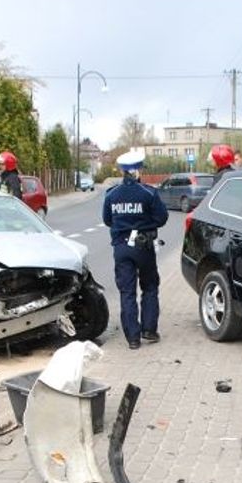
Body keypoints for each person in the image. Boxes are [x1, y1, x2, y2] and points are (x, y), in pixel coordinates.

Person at [102, 148, 168, 350]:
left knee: (127, 291)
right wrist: (144, 222)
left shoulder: (111, 194)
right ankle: (148, 329)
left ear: (123, 171)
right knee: (149, 286)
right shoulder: (148, 192)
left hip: (121, 248)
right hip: (143, 247)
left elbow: (107, 220)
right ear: (138, 170)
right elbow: (162, 218)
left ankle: (132, 338)